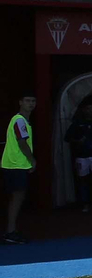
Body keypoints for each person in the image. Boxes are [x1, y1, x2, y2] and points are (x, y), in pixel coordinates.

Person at [3, 93, 37, 244]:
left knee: (18, 196)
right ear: (20, 102)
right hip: (15, 164)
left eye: (33, 101)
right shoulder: (19, 121)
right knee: (17, 197)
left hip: (17, 164)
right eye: (28, 101)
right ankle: (10, 231)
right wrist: (32, 160)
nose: (31, 104)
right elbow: (22, 142)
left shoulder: (24, 121)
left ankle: (11, 230)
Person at [66, 102, 92, 212]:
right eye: (88, 108)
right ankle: (85, 204)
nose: (90, 111)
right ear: (84, 110)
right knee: (83, 180)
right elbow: (67, 138)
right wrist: (78, 141)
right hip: (82, 156)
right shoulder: (77, 123)